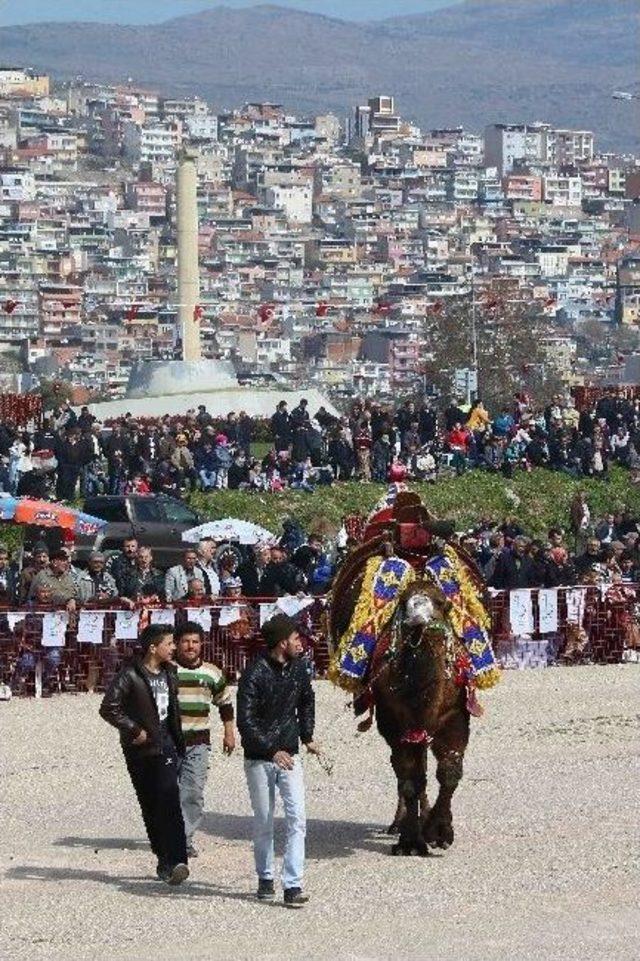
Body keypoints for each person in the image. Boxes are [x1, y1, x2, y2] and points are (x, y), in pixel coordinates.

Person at [237, 613, 318, 908]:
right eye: (296, 638)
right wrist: (272, 749)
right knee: (264, 820)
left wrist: (307, 736)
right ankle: (265, 877)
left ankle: (293, 884)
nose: (301, 643)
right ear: (283, 642)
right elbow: (246, 721)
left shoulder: (299, 669)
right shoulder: (254, 673)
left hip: (290, 753)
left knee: (297, 818)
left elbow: (307, 700)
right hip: (260, 758)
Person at [99, 624, 189, 886]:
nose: (174, 647)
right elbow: (109, 708)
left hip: (167, 745)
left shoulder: (171, 672)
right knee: (150, 804)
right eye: (170, 643)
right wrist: (133, 729)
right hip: (139, 750)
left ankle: (178, 859)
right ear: (153, 647)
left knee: (169, 798)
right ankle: (164, 859)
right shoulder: (129, 675)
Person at [175, 622, 236, 857]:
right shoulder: (167, 671)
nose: (190, 646)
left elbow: (225, 704)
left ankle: (185, 840)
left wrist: (229, 733)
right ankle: (167, 836)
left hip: (198, 743)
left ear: (202, 644)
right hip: (169, 742)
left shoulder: (212, 672)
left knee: (192, 792)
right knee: (167, 792)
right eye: (185, 641)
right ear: (177, 644)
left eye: (195, 641)